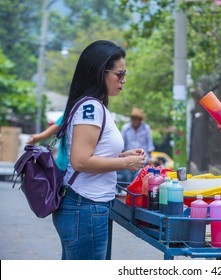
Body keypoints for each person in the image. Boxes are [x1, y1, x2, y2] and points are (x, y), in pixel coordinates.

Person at [52, 40, 145, 260]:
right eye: (119, 74)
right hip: (85, 208)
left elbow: (92, 153)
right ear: (99, 72)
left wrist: (122, 156)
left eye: (125, 74)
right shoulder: (91, 108)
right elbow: (81, 161)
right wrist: (124, 164)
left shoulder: (92, 106)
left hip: (84, 207)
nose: (123, 80)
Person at [119, 107, 155, 183]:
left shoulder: (146, 128)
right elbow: (122, 145)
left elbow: (150, 146)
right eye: (133, 119)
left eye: (136, 119)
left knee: (139, 181)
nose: (134, 121)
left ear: (140, 120)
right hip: (128, 160)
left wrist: (150, 160)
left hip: (142, 161)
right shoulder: (125, 128)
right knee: (128, 182)